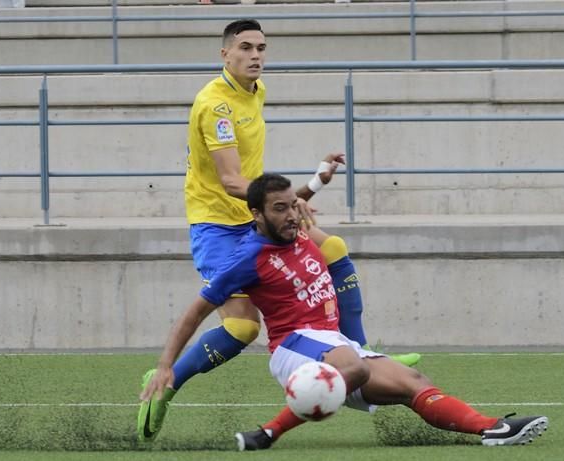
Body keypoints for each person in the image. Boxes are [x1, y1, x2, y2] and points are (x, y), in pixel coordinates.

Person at [137, 18, 419, 443]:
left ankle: (360, 351)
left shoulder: (257, 92)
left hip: (256, 219)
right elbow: (233, 181)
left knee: (334, 248)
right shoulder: (215, 106)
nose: (255, 56)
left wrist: (302, 191)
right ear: (225, 54)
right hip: (218, 227)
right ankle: (169, 381)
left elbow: (250, 181)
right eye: (246, 48)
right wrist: (286, 201)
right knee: (242, 329)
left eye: (261, 48)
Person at [140, 173, 549, 450]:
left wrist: (317, 179)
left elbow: (298, 204)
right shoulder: (247, 258)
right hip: (293, 345)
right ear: (257, 215)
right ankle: (268, 433)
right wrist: (165, 366)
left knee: (412, 381)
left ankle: (491, 428)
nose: (291, 215)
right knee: (354, 366)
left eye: (292, 206)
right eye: (279, 209)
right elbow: (194, 312)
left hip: (330, 342)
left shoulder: (296, 228)